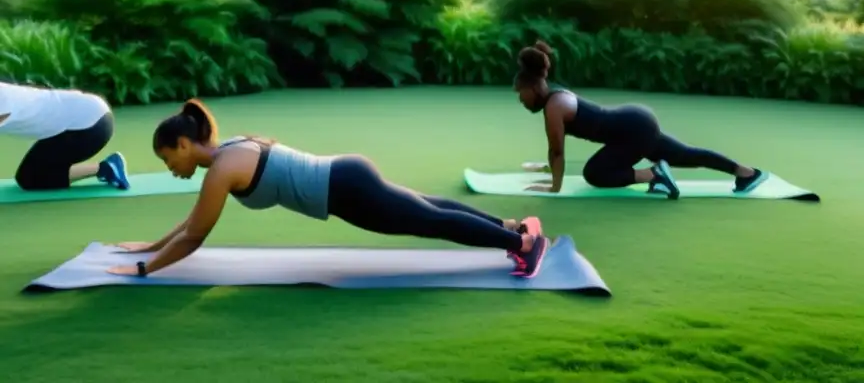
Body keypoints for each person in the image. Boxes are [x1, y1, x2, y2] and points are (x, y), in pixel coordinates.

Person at [109, 99, 549, 279]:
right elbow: (192, 223)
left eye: (170, 160)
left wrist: (144, 270)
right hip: (345, 178)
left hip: (345, 190)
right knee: (428, 209)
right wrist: (150, 246)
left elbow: (196, 235)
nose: (172, 169)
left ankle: (521, 244)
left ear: (184, 144)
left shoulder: (222, 168)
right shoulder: (231, 150)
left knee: (429, 219)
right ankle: (512, 228)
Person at [513, 41, 767, 199]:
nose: (521, 101)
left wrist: (554, 188)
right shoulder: (557, 96)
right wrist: (547, 170)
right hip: (636, 122)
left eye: (521, 95)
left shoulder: (554, 108)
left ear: (533, 88)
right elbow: (555, 154)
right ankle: (746, 173)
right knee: (684, 154)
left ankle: (654, 175)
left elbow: (557, 152)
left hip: (631, 130)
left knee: (595, 173)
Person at [0, 81, 129, 192]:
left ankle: (109, 168)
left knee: (30, 178)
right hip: (81, 119)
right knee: (27, 177)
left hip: (90, 125)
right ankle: (107, 168)